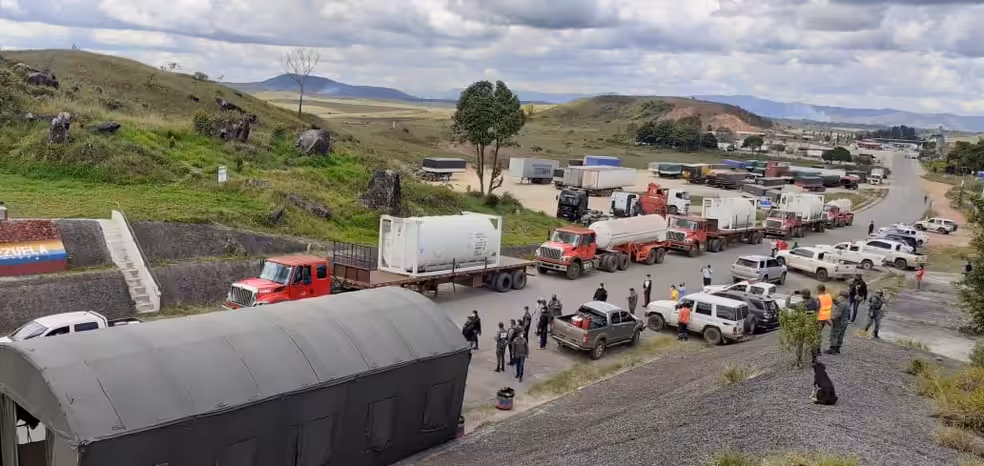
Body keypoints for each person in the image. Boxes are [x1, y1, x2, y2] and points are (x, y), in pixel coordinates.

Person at [826, 290, 851, 355]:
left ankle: (832, 349)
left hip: (838, 322)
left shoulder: (841, 304)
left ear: (841, 296)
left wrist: (831, 319)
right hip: (845, 322)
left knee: (834, 335)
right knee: (841, 335)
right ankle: (837, 348)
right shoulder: (847, 304)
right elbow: (848, 315)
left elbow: (838, 314)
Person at [814, 285, 833, 362]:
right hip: (824, 319)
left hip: (819, 319)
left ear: (819, 290)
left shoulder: (819, 298)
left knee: (817, 335)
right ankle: (816, 349)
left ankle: (817, 350)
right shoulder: (828, 296)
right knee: (818, 334)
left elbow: (816, 308)